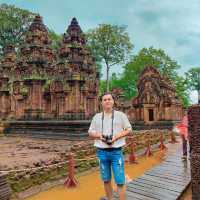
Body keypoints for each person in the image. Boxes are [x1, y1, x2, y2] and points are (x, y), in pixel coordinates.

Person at [88, 92, 132, 200]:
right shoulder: (97, 117)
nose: (107, 101)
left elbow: (129, 129)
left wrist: (116, 137)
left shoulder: (121, 115)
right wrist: (100, 136)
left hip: (116, 152)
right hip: (102, 152)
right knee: (106, 179)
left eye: (109, 99)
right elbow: (90, 132)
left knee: (120, 181)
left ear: (113, 101)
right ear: (101, 103)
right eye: (105, 100)